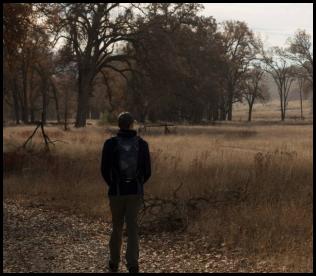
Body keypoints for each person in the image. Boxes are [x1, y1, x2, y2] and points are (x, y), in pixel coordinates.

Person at [101, 112, 151, 273]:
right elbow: (147, 171)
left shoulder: (110, 144)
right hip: (134, 191)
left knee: (117, 226)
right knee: (132, 227)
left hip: (116, 191)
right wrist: (137, 184)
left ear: (119, 125)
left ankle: (114, 262)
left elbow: (103, 169)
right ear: (131, 125)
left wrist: (113, 183)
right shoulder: (142, 144)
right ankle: (132, 264)